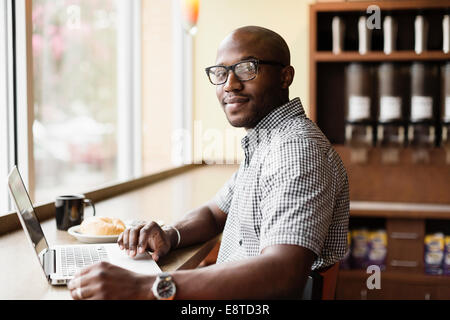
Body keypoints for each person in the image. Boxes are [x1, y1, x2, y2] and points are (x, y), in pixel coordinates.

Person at [68, 25, 349, 300]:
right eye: (221, 72)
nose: (230, 84)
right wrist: (169, 235)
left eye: (246, 68)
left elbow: (282, 275)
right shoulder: (267, 141)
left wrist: (144, 287)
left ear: (285, 77)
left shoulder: (295, 149)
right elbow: (214, 214)